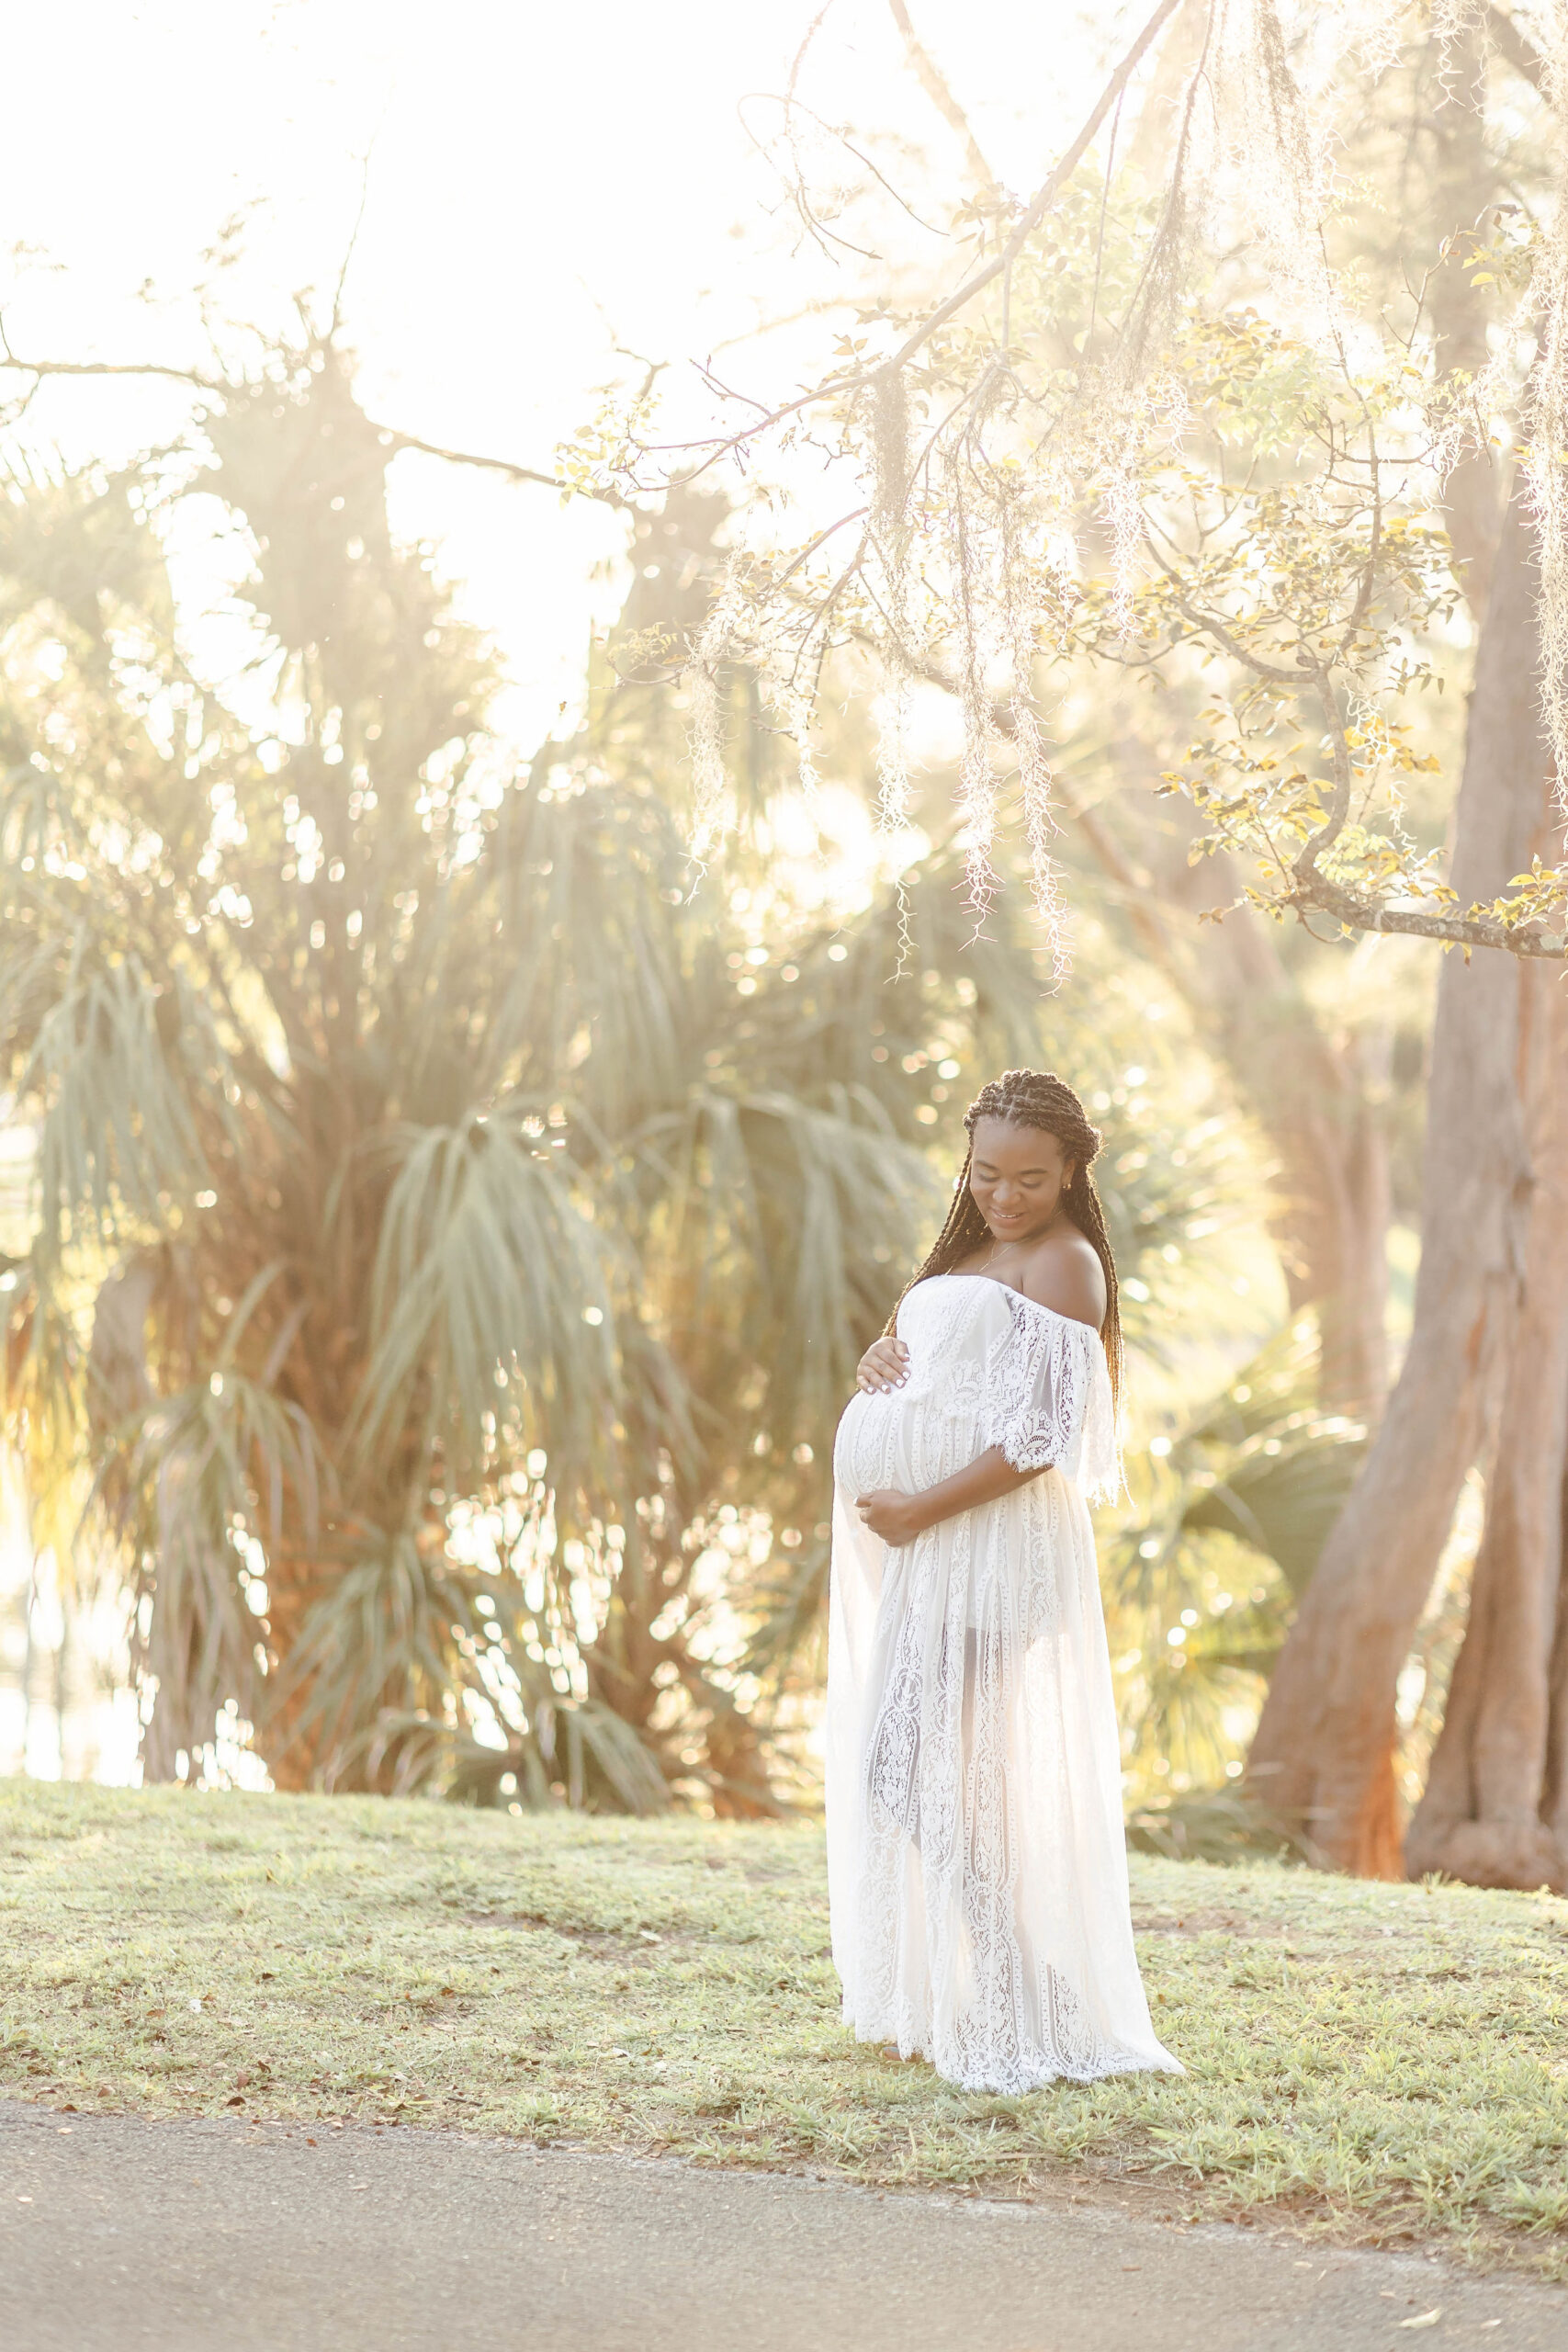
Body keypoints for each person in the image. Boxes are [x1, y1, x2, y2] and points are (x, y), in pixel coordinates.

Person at [827, 1069, 1182, 2095]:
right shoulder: (973, 1248)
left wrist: (918, 1508)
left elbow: (1041, 1435)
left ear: (1072, 1169)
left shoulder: (1069, 1264)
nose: (1005, 1195)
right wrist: (880, 1363)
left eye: (1030, 1178)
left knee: (910, 1763)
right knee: (929, 1765)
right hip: (938, 1549)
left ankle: (1033, 1989)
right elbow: (950, 1365)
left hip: (991, 1547)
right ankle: (999, 1983)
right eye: (987, 1173)